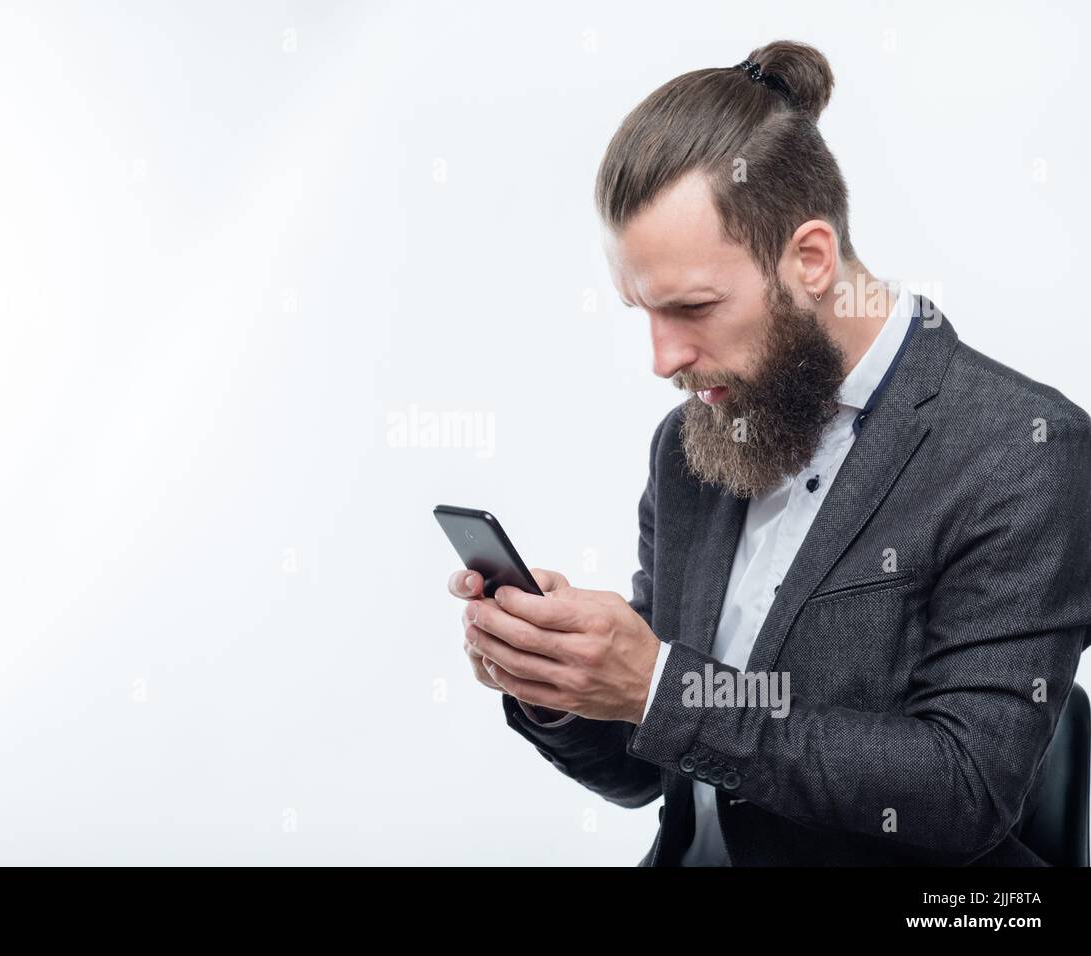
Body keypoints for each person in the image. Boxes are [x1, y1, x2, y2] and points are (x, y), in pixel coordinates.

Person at [447, 39, 1091, 866]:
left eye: (693, 306)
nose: (662, 359)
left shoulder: (1024, 454)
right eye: (640, 310)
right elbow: (648, 773)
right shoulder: (690, 446)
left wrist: (655, 686)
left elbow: (964, 790)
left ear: (811, 260)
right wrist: (562, 684)